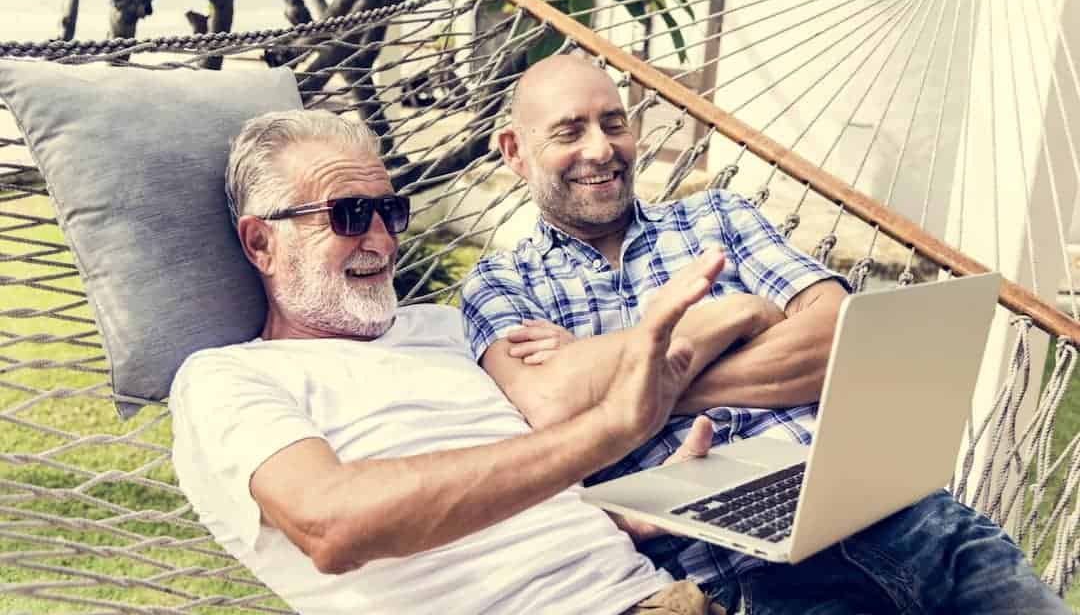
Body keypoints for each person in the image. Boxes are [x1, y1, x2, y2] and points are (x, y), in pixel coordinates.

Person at [459, 54, 1068, 614]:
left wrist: (636, 390)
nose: (601, 149)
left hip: (903, 516)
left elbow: (841, 342)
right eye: (569, 131)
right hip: (748, 571)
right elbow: (551, 405)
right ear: (514, 151)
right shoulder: (502, 284)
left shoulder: (717, 216)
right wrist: (734, 315)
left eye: (613, 123)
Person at [169, 109, 748, 615]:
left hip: (663, 595)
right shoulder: (225, 379)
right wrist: (612, 428)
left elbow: (528, 480)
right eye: (347, 215)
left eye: (388, 211)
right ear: (260, 243)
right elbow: (331, 526)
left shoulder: (449, 328)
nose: (380, 239)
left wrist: (621, 517)